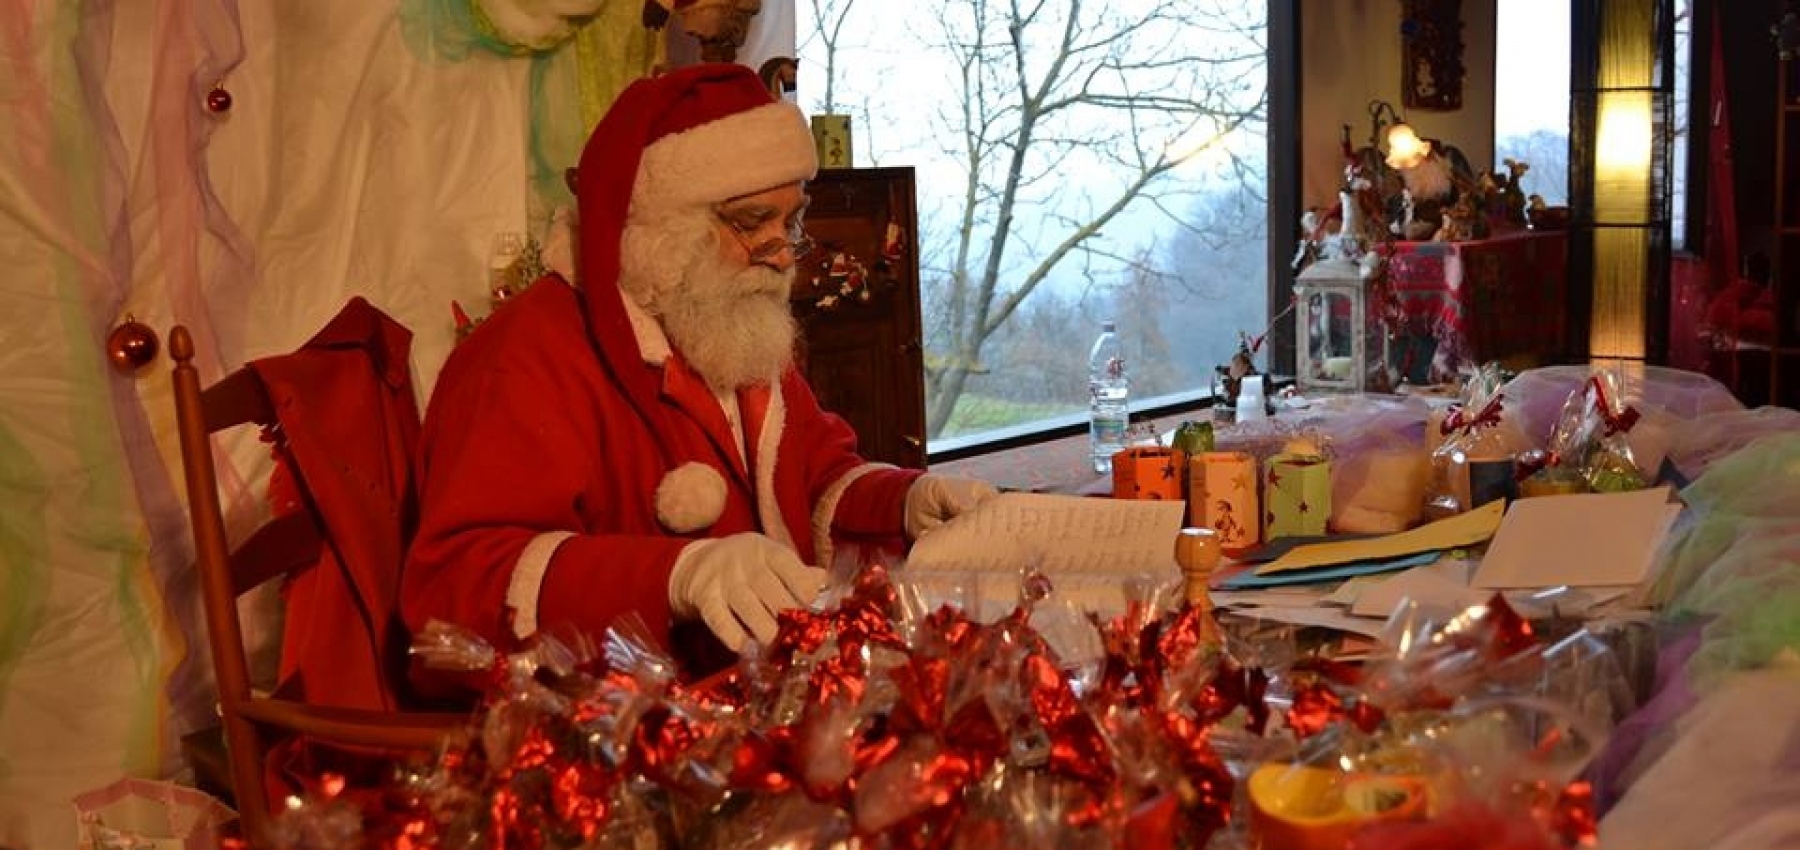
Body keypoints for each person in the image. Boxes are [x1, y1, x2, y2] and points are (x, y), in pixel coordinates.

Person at [403, 63, 996, 676]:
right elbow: (455, 586)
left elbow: (817, 479)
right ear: (663, 229)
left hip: (759, 699)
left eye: (790, 219)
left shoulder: (722, 320)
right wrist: (675, 575)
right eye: (751, 223)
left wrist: (904, 502)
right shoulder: (522, 358)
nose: (782, 251)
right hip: (611, 737)